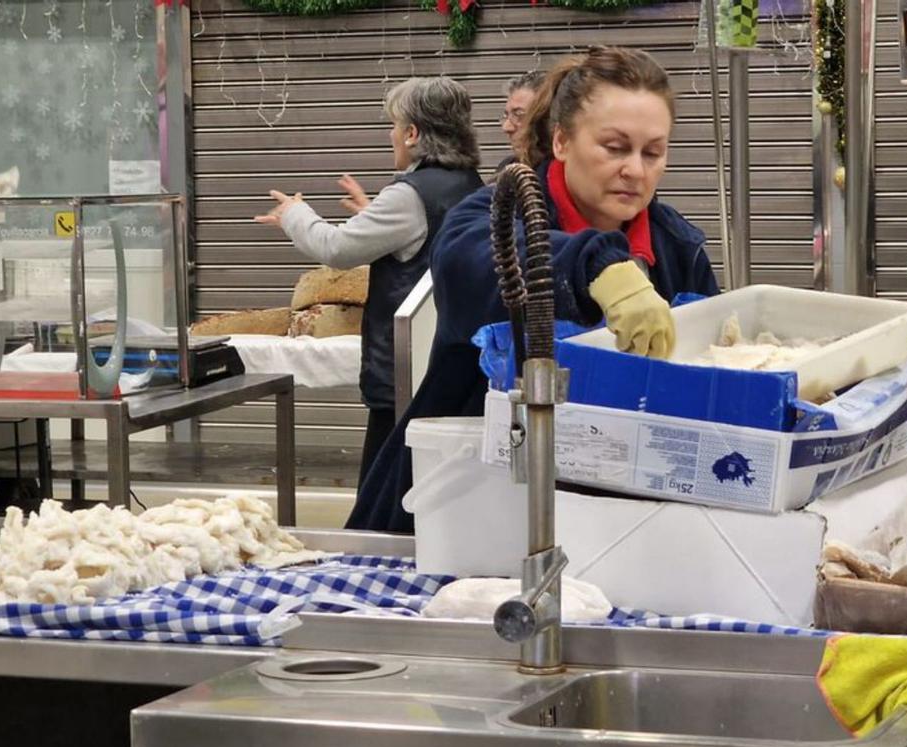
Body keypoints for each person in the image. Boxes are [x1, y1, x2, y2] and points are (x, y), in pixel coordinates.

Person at [347, 47, 720, 533]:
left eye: (652, 152)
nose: (636, 169)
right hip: (462, 512)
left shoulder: (677, 249)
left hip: (617, 514)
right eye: (615, 147)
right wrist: (596, 268)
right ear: (562, 141)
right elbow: (470, 272)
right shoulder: (493, 214)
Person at [253, 77, 484, 488]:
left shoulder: (411, 194)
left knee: (383, 499)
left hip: (403, 377)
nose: (390, 134)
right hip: (449, 364)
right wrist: (370, 213)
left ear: (413, 134)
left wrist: (294, 213)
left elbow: (338, 248)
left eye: (395, 125)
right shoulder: (471, 184)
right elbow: (423, 245)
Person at [494, 70, 546, 175]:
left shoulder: (563, 177)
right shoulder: (507, 167)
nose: (506, 127)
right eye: (506, 115)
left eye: (518, 114)